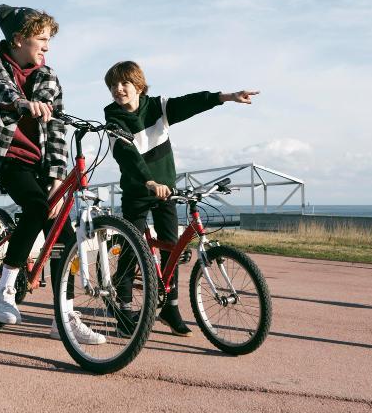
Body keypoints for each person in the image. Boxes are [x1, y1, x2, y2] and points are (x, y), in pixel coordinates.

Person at [0, 4, 105, 344]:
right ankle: (3, 290)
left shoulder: (48, 76)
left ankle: (64, 318)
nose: (46, 47)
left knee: (63, 237)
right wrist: (20, 103)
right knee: (35, 206)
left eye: (49, 41)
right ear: (19, 39)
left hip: (42, 164)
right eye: (41, 40)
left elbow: (58, 128)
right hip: (8, 158)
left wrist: (59, 175)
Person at [103, 60, 259, 335]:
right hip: (138, 192)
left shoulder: (157, 107)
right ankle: (124, 309)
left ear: (138, 85)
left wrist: (226, 97)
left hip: (167, 191)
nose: (118, 89)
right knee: (133, 248)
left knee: (171, 248)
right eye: (113, 85)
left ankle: (170, 308)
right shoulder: (113, 118)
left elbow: (191, 103)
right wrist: (148, 181)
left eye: (124, 83)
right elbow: (126, 154)